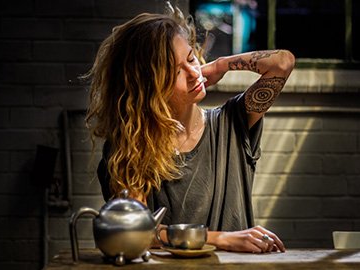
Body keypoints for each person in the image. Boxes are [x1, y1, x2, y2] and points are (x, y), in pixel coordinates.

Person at [84, 3, 294, 254]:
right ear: (148, 87)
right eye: (174, 72)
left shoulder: (233, 122)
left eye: (191, 58)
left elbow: (282, 63)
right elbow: (134, 231)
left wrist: (220, 65)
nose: (194, 74)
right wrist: (221, 238)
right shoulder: (129, 147)